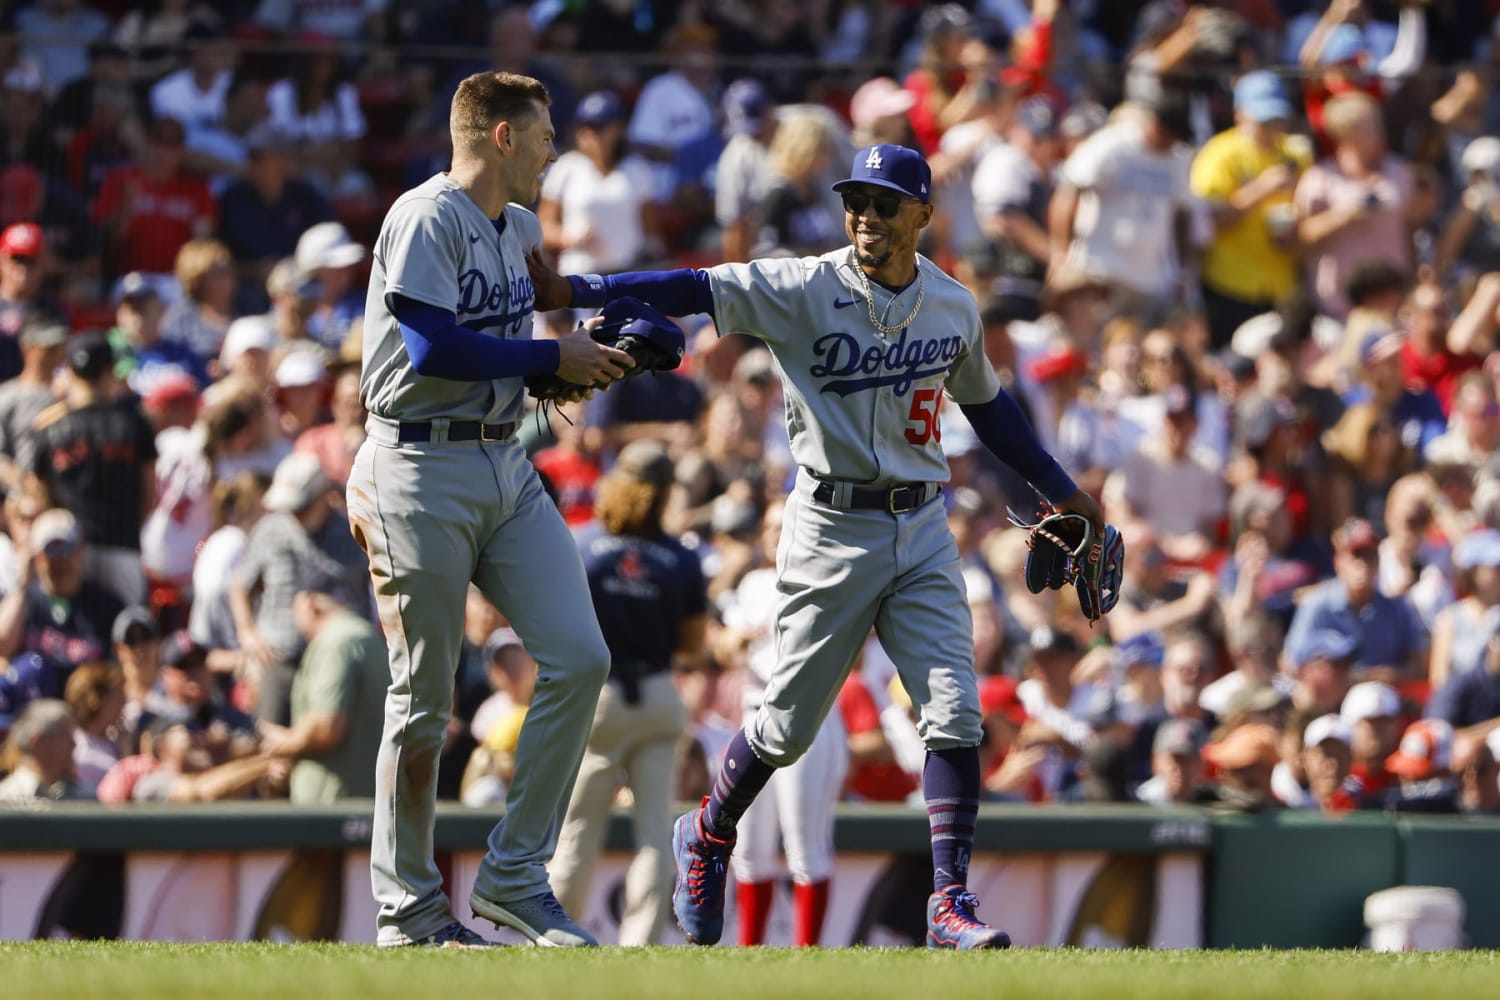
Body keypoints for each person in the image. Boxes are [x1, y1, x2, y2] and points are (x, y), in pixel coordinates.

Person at [527, 141, 1106, 949]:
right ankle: (710, 831)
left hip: (922, 522)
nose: (865, 216)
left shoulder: (951, 304)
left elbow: (991, 408)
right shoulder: (804, 285)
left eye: (883, 202)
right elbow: (694, 287)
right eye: (855, 201)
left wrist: (1066, 492)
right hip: (830, 524)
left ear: (923, 215)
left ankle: (949, 901)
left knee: (955, 714)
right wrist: (578, 287)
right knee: (785, 728)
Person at [346, 71, 633, 949]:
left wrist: (623, 321)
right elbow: (433, 343)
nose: (557, 149)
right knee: (424, 702)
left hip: (502, 462)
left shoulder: (515, 225)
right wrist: (552, 361)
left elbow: (548, 294)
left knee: (581, 657)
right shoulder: (424, 214)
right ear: (502, 136)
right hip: (414, 465)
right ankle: (408, 911)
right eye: (545, 133)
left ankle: (513, 878)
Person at [550, 440, 708, 946]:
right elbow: (693, 644)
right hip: (660, 694)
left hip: (601, 696)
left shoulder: (582, 542)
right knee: (655, 830)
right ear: (665, 494)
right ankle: (639, 941)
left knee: (579, 827)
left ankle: (559, 934)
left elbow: (557, 625)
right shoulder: (679, 558)